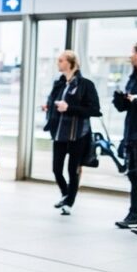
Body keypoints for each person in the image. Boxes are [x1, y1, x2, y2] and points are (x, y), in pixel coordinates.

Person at [43, 50, 101, 216]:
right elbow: (53, 101)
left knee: (73, 169)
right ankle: (66, 194)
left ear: (71, 63)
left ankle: (69, 202)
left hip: (78, 134)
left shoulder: (86, 84)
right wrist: (49, 107)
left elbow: (95, 110)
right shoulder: (60, 83)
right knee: (56, 169)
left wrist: (69, 108)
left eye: (61, 60)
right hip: (59, 132)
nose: (58, 63)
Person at [114, 41, 137, 232]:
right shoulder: (134, 78)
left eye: (133, 52)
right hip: (132, 134)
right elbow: (125, 106)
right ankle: (133, 215)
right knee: (133, 175)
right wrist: (121, 100)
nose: (130, 56)